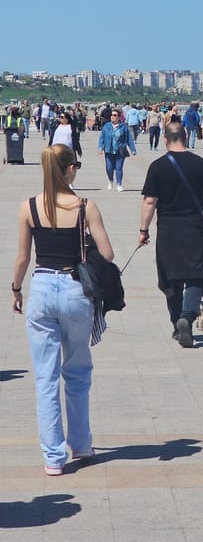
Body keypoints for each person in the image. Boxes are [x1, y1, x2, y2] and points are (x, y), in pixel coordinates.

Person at [11, 144, 114, 475]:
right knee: (78, 372)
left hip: (41, 288)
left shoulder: (29, 207)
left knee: (45, 377)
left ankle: (53, 457)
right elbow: (108, 254)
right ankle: (81, 444)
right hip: (74, 290)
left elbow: (23, 258)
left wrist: (15, 289)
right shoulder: (86, 206)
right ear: (69, 169)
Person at [138, 121, 203, 347]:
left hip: (168, 228)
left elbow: (149, 201)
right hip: (195, 227)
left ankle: (178, 323)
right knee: (196, 275)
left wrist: (143, 230)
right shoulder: (200, 165)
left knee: (170, 278)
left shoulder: (157, 166)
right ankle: (187, 317)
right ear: (186, 137)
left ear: (165, 139)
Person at [97, 109, 137, 191]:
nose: (112, 117)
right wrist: (100, 147)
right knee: (109, 168)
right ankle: (110, 180)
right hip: (109, 150)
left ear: (119, 117)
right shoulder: (106, 126)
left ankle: (119, 184)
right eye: (112, 115)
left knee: (119, 168)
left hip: (120, 150)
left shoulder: (123, 127)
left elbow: (129, 139)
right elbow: (102, 137)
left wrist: (133, 149)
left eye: (115, 115)